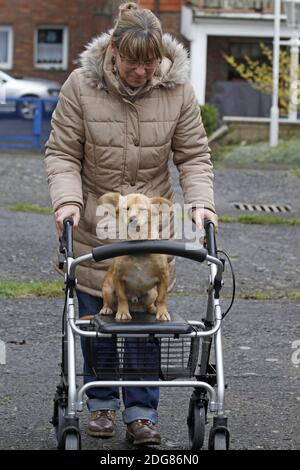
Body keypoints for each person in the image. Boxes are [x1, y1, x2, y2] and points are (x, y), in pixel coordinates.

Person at [45, 2, 218, 446]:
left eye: (151, 62)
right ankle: (100, 403)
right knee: (95, 317)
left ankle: (142, 414)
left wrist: (201, 205)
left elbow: (194, 156)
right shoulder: (81, 86)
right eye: (133, 62)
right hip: (96, 219)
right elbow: (62, 153)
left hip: (155, 223)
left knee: (145, 321)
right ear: (114, 53)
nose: (143, 72)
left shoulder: (177, 91)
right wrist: (66, 202)